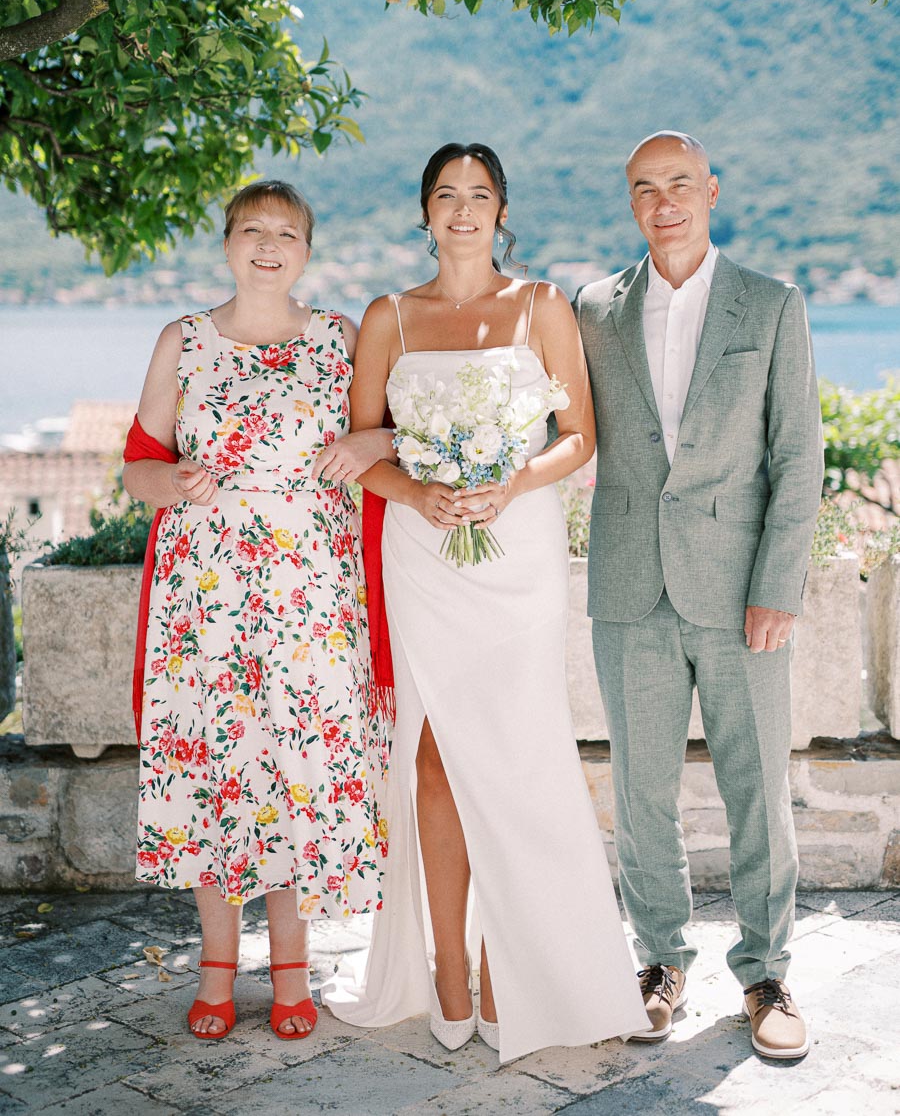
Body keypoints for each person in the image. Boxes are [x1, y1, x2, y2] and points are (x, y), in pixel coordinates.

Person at [322, 143, 647, 1064]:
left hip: (519, 550)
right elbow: (363, 449)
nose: (461, 209)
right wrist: (419, 492)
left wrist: (510, 484)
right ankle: (448, 969)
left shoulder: (543, 305)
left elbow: (577, 437)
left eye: (478, 194)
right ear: (425, 213)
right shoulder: (388, 316)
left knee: (515, 755)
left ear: (502, 211)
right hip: (423, 553)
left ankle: (511, 968)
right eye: (445, 195)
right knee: (433, 756)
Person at [124, 180, 393, 1041]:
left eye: (286, 233)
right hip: (206, 598)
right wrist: (172, 479)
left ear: (307, 251)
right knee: (216, 766)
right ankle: (213, 966)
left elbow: (395, 436)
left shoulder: (339, 339)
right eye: (252, 230)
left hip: (312, 595)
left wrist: (374, 439)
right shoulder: (184, 340)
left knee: (293, 772)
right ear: (228, 244)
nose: (268, 245)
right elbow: (137, 467)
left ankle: (290, 966)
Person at [575, 132, 824, 1061]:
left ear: (711, 191)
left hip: (739, 591)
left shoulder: (772, 303)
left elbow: (798, 457)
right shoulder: (594, 308)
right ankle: (659, 963)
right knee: (640, 791)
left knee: (756, 787)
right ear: (631, 202)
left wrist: (777, 587)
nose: (664, 202)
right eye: (645, 188)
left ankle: (766, 973)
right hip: (629, 585)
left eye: (679, 183)